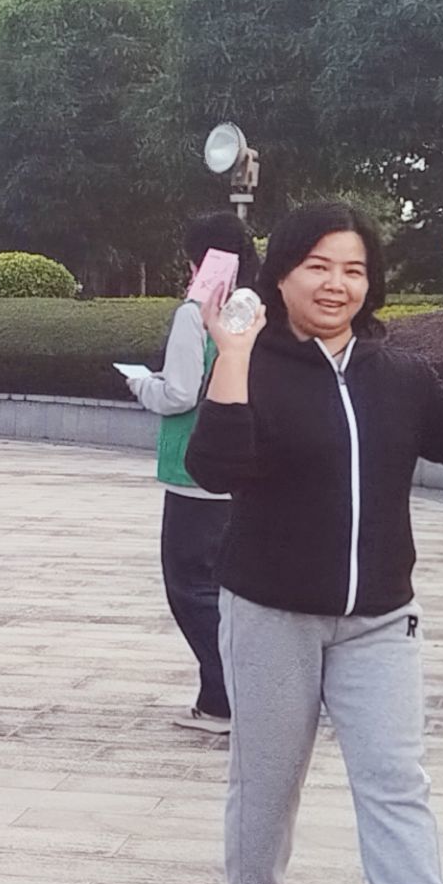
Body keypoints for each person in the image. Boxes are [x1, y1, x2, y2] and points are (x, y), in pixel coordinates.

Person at [186, 201, 443, 884]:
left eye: (355, 269)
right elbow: (214, 467)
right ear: (283, 274)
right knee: (268, 776)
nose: (337, 284)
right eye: (319, 266)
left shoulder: (397, 373)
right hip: (270, 610)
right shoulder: (254, 361)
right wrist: (232, 356)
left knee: (396, 779)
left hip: (379, 617)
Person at [125, 212, 261, 734]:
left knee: (189, 587)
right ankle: (218, 696)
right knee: (226, 589)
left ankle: (228, 697)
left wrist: (142, 385)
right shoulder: (256, 305)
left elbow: (180, 393)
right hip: (244, 466)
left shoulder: (195, 313)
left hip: (194, 468)